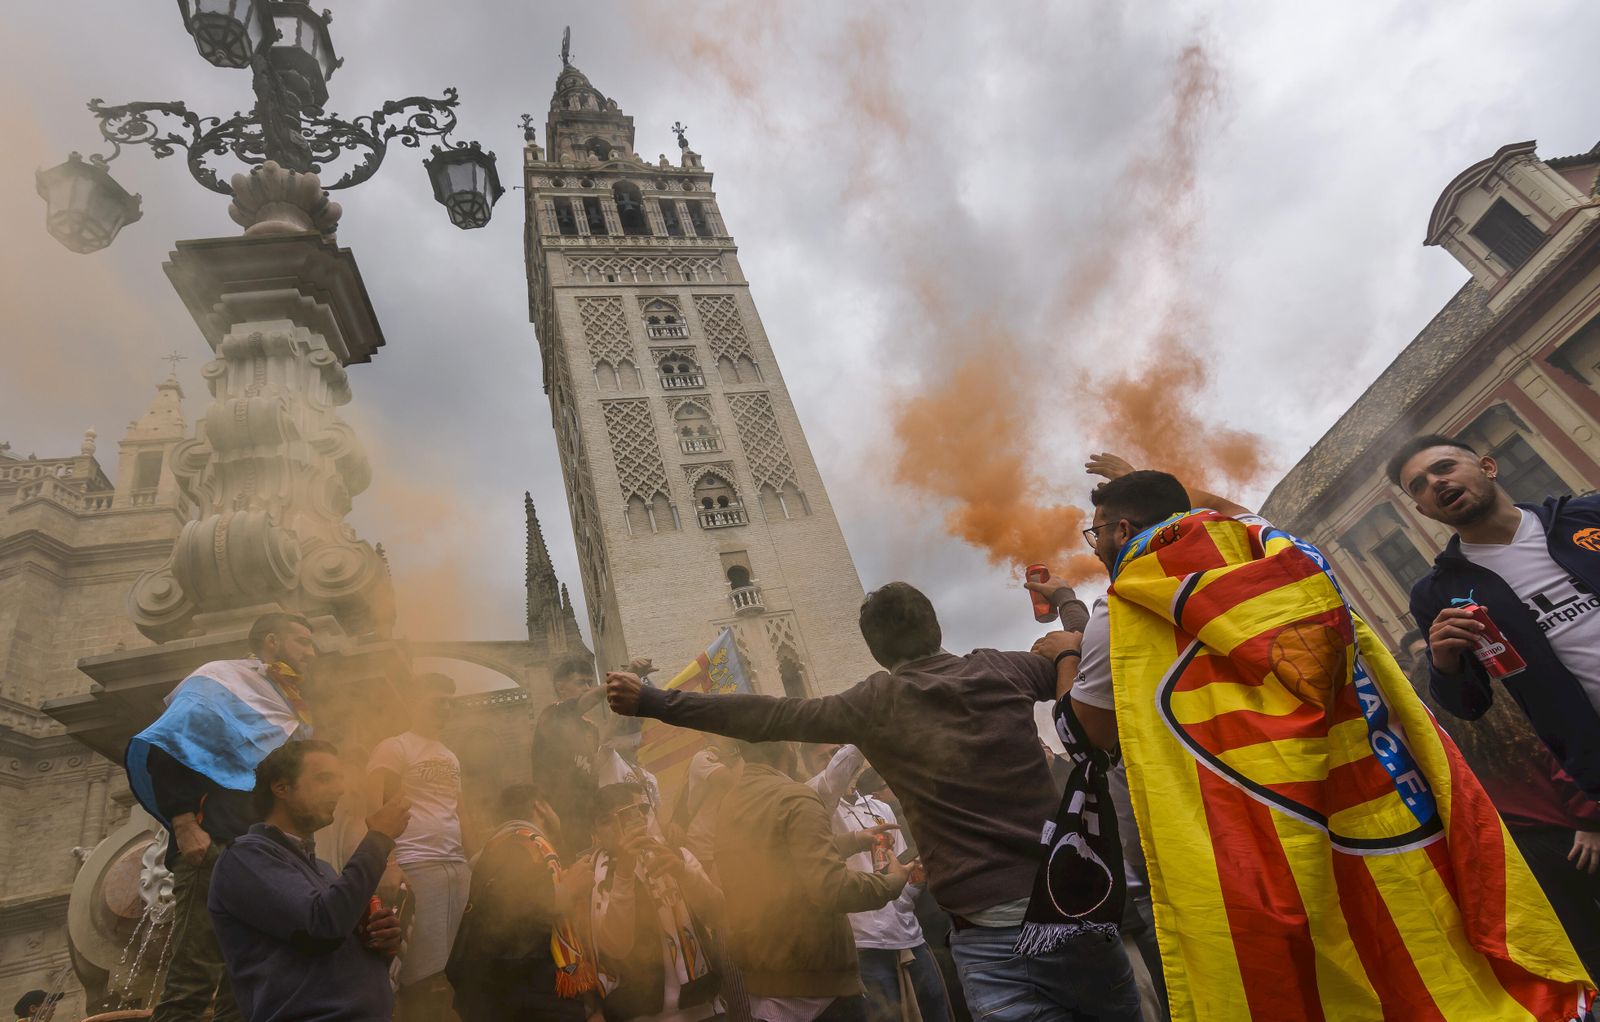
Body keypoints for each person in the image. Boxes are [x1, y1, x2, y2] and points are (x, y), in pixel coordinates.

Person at [1038, 455, 1590, 1016]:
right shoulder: (1278, 549)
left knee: (1333, 984)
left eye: (1098, 532)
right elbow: (1230, 512)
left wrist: (1066, 648)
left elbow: (1087, 739)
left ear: (1123, 531)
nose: (1096, 545)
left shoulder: (1126, 605)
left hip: (1266, 840)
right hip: (1386, 804)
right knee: (1440, 960)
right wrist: (1152, 480)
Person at [607, 583, 1141, 1022]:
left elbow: (766, 715)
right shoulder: (1003, 669)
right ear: (936, 627)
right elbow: (1095, 655)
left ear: (877, 651)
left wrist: (652, 701)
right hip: (1075, 910)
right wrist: (1068, 611)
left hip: (989, 936)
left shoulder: (876, 703)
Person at [125, 612, 318, 1022]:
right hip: (213, 844)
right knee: (192, 984)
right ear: (271, 641)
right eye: (302, 641)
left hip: (263, 853)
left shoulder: (291, 705)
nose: (311, 652)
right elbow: (168, 745)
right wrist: (184, 823)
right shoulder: (219, 679)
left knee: (247, 985)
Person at [1388, 434, 1600, 801]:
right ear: (1423, 510)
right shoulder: (1437, 595)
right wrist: (1444, 661)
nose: (1435, 483)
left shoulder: (1585, 516)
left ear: (1488, 467)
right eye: (1419, 486)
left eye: (1444, 467)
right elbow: (1468, 706)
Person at [1398, 629, 1600, 982]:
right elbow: (1560, 764)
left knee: (1584, 940)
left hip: (1527, 852)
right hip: (1573, 832)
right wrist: (1589, 821)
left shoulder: (1446, 745)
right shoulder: (1515, 716)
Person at [208, 739, 412, 1022]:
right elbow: (321, 926)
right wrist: (378, 839)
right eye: (324, 779)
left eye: (339, 780)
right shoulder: (245, 856)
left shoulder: (325, 870)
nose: (339, 789)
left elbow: (335, 949)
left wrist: (381, 942)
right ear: (281, 787)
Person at [716, 740, 908, 1022]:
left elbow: (780, 863)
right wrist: (892, 882)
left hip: (766, 985)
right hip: (818, 991)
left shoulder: (731, 802)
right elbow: (831, 887)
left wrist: (853, 840)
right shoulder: (793, 796)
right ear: (788, 748)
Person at [366, 672, 470, 1019]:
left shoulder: (451, 755)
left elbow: (457, 812)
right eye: (436, 702)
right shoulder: (394, 747)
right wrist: (390, 864)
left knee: (452, 962)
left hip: (455, 866)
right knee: (418, 967)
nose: (444, 709)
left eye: (449, 704)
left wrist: (471, 859)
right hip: (415, 864)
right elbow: (377, 810)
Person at [447, 784, 586, 1022]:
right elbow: (511, 904)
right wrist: (567, 891)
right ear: (539, 807)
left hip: (513, 990)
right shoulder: (520, 843)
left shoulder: (503, 845)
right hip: (524, 994)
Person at [589, 782, 724, 1022]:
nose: (619, 828)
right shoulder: (593, 877)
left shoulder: (676, 854)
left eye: (630, 813)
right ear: (595, 831)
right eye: (606, 821)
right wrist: (624, 872)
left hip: (703, 1007)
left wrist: (683, 873)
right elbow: (616, 947)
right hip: (641, 1014)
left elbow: (719, 915)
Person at [835, 766, 950, 1022]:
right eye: (827, 755)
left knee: (935, 1008)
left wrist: (913, 884)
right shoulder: (822, 805)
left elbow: (899, 867)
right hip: (866, 942)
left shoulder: (880, 808)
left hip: (908, 932)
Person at [535, 656, 606, 861]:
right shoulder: (551, 714)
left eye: (590, 682)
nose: (587, 687)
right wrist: (621, 680)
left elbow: (594, 769)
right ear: (561, 688)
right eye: (580, 682)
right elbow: (585, 702)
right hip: (560, 819)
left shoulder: (591, 729)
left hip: (591, 821)